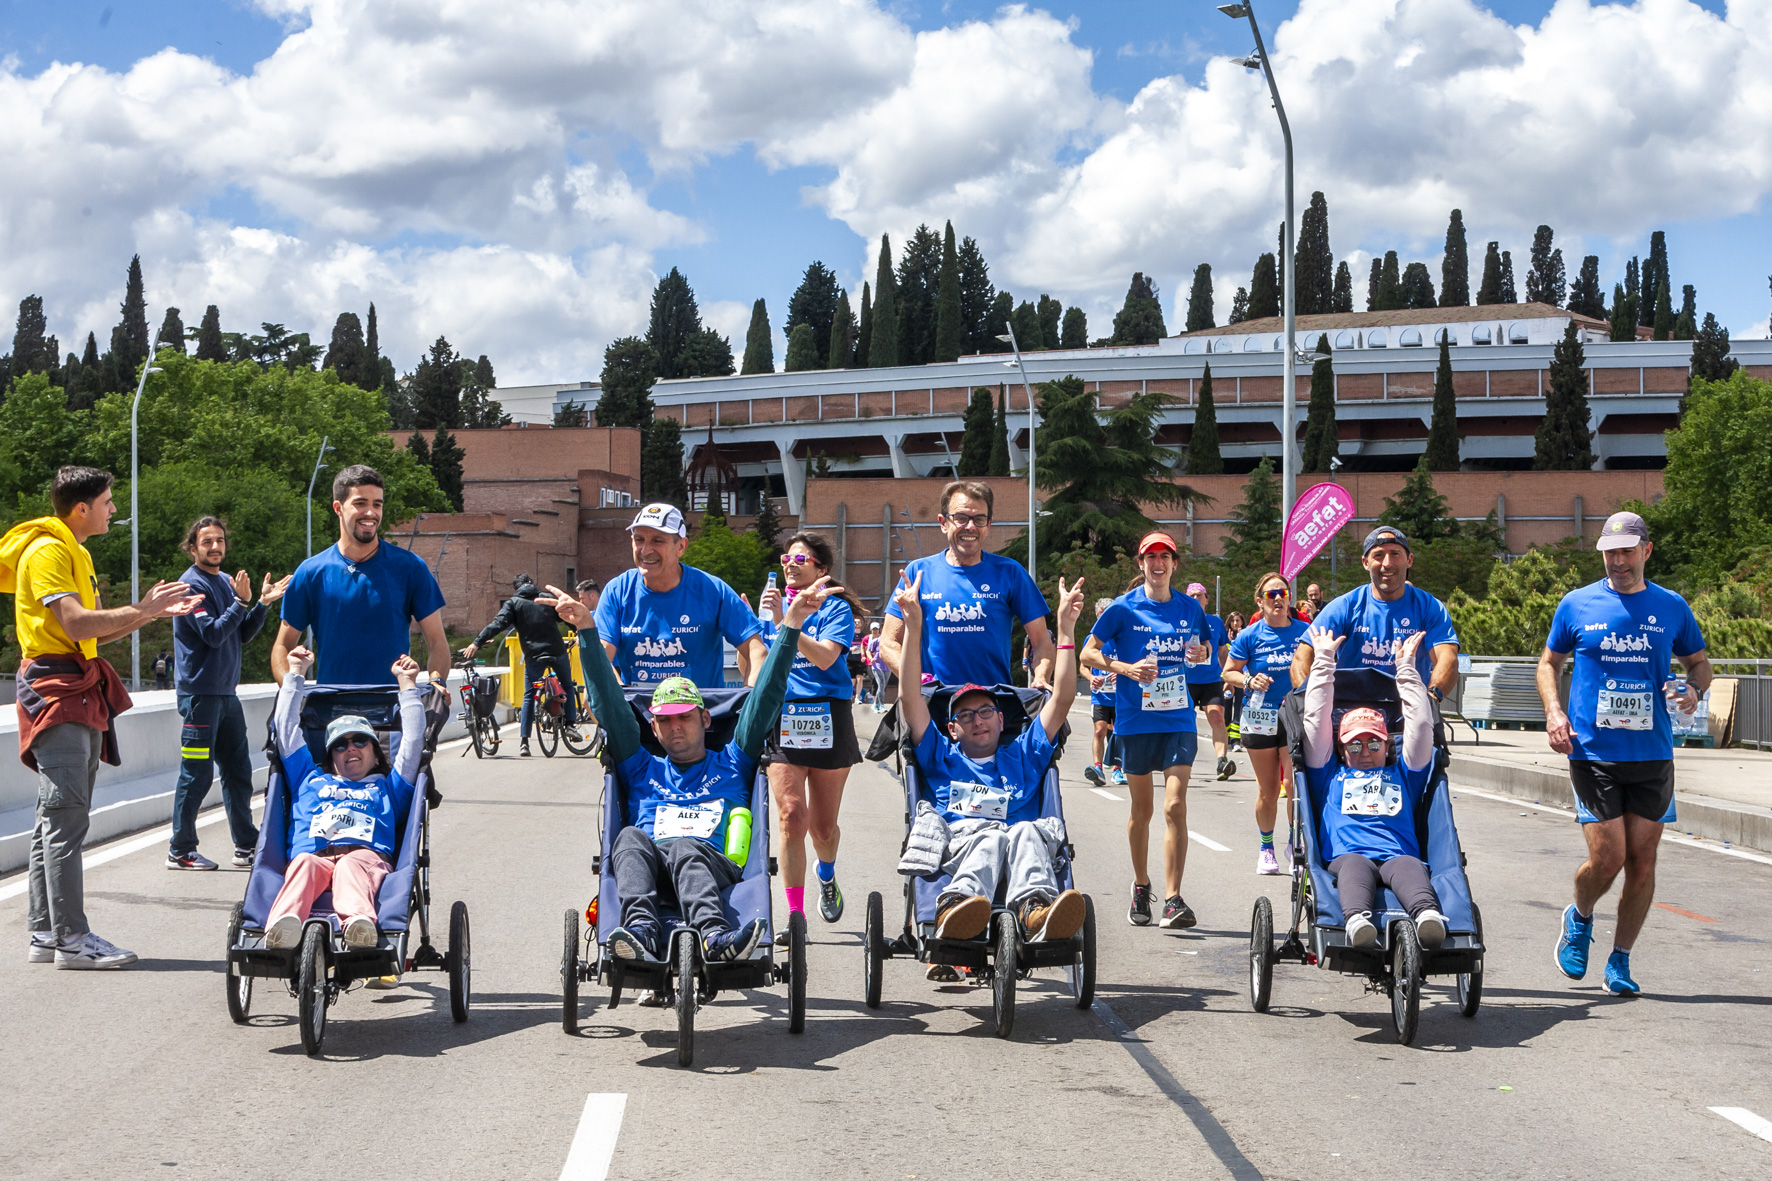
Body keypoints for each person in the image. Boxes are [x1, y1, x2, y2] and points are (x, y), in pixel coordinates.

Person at [548, 576, 834, 963]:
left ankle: (715, 936)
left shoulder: (733, 760)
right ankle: (640, 932)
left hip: (713, 866)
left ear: (705, 718)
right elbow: (610, 706)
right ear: (653, 727)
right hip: (650, 870)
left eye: (684, 717)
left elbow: (765, 695)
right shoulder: (641, 767)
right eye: (664, 721)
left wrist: (792, 626)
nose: (675, 727)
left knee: (685, 846)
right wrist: (586, 629)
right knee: (630, 836)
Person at [2, 466, 200, 969]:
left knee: (55, 817)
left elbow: (89, 634)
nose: (114, 509)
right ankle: (72, 938)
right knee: (66, 817)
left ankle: (47, 933)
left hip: (77, 683)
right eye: (108, 501)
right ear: (81, 508)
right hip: (57, 687)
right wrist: (144, 609)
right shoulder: (48, 550)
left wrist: (147, 613)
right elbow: (73, 621)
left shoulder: (77, 550)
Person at [1538, 511, 1709, 997]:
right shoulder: (1577, 604)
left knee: (1643, 861)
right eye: (1610, 553)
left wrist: (1693, 689)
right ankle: (1581, 915)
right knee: (1608, 857)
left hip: (1652, 752)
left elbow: (1699, 664)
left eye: (1627, 552)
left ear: (1646, 551)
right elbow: (1549, 662)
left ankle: (1621, 959)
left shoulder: (1671, 606)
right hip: (1593, 751)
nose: (1618, 561)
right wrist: (1554, 712)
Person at [895, 569, 1089, 943]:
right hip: (963, 842)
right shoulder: (941, 755)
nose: (977, 721)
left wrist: (1064, 631)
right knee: (992, 836)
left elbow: (1062, 698)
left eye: (985, 712)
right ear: (952, 728)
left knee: (1023, 830)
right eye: (964, 716)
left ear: (1001, 721)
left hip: (1024, 847)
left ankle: (1034, 913)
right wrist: (913, 626)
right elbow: (909, 698)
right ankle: (956, 907)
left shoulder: (1024, 752)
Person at [1081, 531, 1213, 930]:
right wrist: (1125, 668)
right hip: (1136, 721)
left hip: (1177, 719)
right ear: (1141, 564)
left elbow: (1205, 648)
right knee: (1143, 810)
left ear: (1174, 564)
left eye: (1165, 557)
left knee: (1174, 805)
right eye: (1150, 557)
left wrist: (1200, 653)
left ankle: (1173, 899)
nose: (1158, 563)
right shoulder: (1123, 609)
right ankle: (1141, 885)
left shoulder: (1191, 609)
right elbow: (1088, 650)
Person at [262, 649, 425, 950]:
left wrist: (407, 684)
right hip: (316, 855)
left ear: (376, 755)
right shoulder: (309, 779)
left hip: (365, 856)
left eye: (360, 741)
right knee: (303, 865)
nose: (350, 748)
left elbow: (414, 742)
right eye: (340, 745)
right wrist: (296, 672)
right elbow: (285, 731)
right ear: (330, 758)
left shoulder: (389, 787)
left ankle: (358, 925)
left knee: (351, 865)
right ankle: (282, 927)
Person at [1301, 629, 1448, 949]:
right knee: (1354, 866)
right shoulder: (1329, 773)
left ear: (1386, 745)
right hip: (1348, 855)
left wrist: (1407, 669)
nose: (1364, 752)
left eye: (1373, 743)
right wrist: (1324, 661)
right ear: (1341, 749)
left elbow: (1421, 727)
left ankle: (1427, 917)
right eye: (1354, 745)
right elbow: (1315, 721)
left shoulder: (1405, 773)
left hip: (1398, 855)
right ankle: (1356, 921)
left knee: (1411, 865)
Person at [756, 532, 867, 938]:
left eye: (800, 559)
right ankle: (795, 915)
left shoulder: (833, 608)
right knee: (790, 817)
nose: (790, 563)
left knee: (821, 829)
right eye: (786, 557)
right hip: (783, 717)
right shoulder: (770, 606)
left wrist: (790, 621)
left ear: (821, 569)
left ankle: (827, 872)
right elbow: (754, 656)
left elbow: (824, 659)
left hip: (828, 716)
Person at [168, 515, 291, 871]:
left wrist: (261, 605)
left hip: (225, 694)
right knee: (197, 773)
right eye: (207, 542)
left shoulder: (224, 582)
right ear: (193, 548)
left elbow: (240, 635)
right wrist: (240, 603)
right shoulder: (189, 587)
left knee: (238, 772)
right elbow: (212, 634)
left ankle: (246, 846)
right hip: (199, 696)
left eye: (219, 540)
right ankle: (181, 849)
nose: (215, 547)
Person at [272, 465, 449, 688]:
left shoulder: (410, 567)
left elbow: (437, 642)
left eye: (377, 504)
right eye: (360, 503)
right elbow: (282, 646)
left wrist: (436, 682)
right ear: (338, 508)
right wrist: (290, 690)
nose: (371, 513)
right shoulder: (310, 572)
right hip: (330, 711)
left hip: (395, 708)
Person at [879, 480, 1054, 690]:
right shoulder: (917, 574)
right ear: (943, 523)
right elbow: (888, 643)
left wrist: (1041, 676)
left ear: (988, 525)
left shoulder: (1010, 572)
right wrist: (917, 681)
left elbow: (1042, 639)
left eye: (979, 519)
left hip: (991, 705)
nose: (970, 526)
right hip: (933, 702)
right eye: (961, 518)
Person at [594, 502, 765, 688]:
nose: (645, 550)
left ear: (681, 547)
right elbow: (599, 657)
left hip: (702, 714)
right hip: (638, 713)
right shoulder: (617, 591)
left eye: (657, 540)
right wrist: (619, 703)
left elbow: (756, 651)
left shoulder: (712, 590)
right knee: (591, 693)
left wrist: (746, 705)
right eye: (639, 540)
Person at [1289, 526, 1460, 702]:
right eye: (1378, 555)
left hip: (1409, 715)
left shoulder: (1429, 607)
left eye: (1395, 554)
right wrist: (1305, 700)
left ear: (1409, 560)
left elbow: (1448, 659)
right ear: (1365, 562)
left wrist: (1432, 697)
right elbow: (1302, 655)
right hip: (1350, 717)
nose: (1387, 563)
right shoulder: (1345, 606)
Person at [1223, 572, 1310, 875]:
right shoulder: (1249, 635)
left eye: (1283, 594)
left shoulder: (1304, 631)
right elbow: (1228, 672)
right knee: (1268, 790)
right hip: (1259, 717)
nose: (1278, 599)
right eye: (1271, 594)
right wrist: (1248, 679)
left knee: (1293, 785)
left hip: (1294, 715)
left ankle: (1294, 845)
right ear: (1259, 601)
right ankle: (1266, 847)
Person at [461, 574, 580, 757]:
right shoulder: (546, 598)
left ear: (516, 588)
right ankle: (571, 724)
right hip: (556, 651)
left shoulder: (513, 603)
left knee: (529, 695)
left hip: (533, 655)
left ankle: (524, 742)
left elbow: (497, 624)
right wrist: (578, 632)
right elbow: (567, 618)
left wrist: (477, 643)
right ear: (531, 583)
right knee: (567, 686)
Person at [1183, 581, 1235, 781]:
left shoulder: (1216, 622)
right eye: (1192, 595)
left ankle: (1222, 760)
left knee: (1217, 717)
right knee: (1186, 722)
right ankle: (1182, 761)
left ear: (1206, 599)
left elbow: (1223, 651)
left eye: (1199, 595)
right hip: (1186, 680)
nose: (1196, 598)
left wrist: (1227, 676)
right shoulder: (1181, 621)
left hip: (1211, 680)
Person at [1083, 597, 1125, 788]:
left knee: (1118, 733)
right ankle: (1098, 768)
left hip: (1121, 696)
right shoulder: (1091, 640)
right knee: (1100, 730)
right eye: (1102, 614)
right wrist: (1091, 678)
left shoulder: (1123, 637)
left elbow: (1134, 663)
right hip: (1100, 695)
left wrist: (1123, 674)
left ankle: (1117, 769)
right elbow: (1083, 666)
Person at [866, 622, 890, 712]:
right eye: (874, 629)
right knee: (881, 684)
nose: (875, 630)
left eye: (877, 629)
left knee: (883, 686)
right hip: (877, 666)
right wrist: (871, 658)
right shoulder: (876, 641)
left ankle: (875, 704)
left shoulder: (890, 641)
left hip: (887, 667)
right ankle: (882, 705)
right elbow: (868, 651)